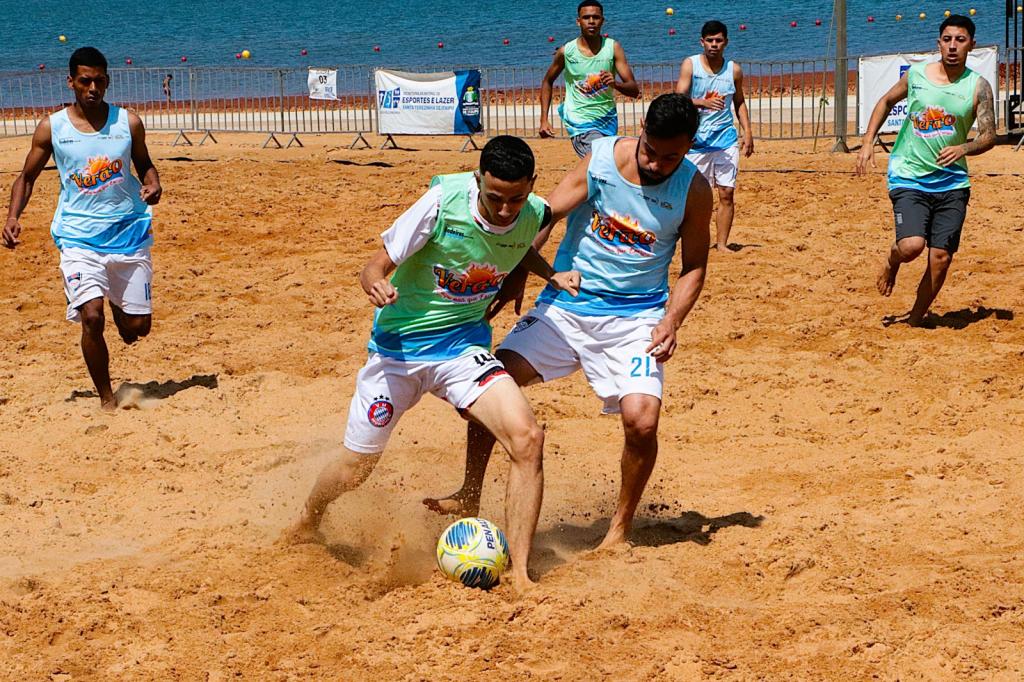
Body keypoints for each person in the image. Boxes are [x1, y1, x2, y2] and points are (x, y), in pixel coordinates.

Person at [282, 136, 580, 591]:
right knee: (354, 468)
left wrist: (548, 273)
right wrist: (376, 284)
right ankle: (309, 518)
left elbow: (519, 243)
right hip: (398, 351)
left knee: (528, 438)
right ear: (478, 180)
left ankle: (520, 574)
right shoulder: (441, 204)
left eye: (516, 199)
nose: (505, 210)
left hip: (462, 349)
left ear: (532, 186)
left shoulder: (534, 212)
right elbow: (373, 266)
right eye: (495, 198)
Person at [425, 94, 713, 550]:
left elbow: (695, 264)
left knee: (642, 423)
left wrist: (672, 320)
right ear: (641, 129)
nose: (656, 164)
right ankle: (469, 491)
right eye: (650, 152)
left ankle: (618, 531)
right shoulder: (601, 160)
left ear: (689, 146)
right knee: (491, 383)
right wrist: (518, 270)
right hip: (567, 305)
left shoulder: (694, 190)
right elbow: (543, 214)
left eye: (670, 157)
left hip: (636, 318)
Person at [3, 47, 162, 410]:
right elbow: (26, 177)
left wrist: (153, 184)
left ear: (108, 81)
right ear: (71, 82)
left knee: (138, 327)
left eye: (99, 81)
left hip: (128, 232)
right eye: (85, 81)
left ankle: (120, 307)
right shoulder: (52, 127)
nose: (93, 88)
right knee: (91, 317)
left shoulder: (128, 123)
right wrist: (13, 217)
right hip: (77, 237)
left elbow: (144, 164)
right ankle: (107, 400)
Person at [857, 14, 996, 327]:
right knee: (911, 247)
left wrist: (964, 148)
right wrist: (867, 143)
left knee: (940, 257)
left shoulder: (978, 86)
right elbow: (886, 101)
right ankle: (892, 259)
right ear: (939, 43)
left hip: (952, 182)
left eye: (960, 40)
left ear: (971, 45)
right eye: (947, 40)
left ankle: (916, 320)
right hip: (909, 174)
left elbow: (989, 135)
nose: (952, 46)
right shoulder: (917, 74)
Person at [675, 20, 753, 253]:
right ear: (702, 42)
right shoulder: (691, 65)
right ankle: (690, 239)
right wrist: (702, 102)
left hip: (725, 140)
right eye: (710, 40)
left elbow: (739, 101)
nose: (714, 45)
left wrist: (748, 132)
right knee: (694, 196)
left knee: (726, 193)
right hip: (696, 142)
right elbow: (678, 98)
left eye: (718, 40)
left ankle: (721, 244)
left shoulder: (733, 70)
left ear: (726, 42)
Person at [539, 0, 640, 158]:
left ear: (602, 21)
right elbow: (547, 81)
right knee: (600, 159)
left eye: (596, 17)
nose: (591, 21)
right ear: (578, 21)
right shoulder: (567, 51)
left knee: (604, 164)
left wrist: (615, 84)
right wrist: (544, 119)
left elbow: (634, 90)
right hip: (580, 122)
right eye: (586, 17)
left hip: (607, 120)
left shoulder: (613, 48)